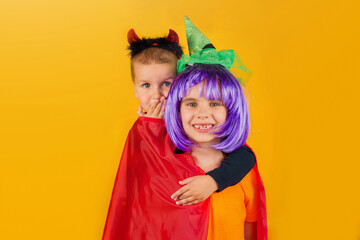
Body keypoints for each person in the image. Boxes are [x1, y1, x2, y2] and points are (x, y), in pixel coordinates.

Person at [103, 23, 258, 240]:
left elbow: (244, 155)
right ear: (135, 88)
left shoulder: (201, 128)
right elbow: (137, 194)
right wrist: (150, 129)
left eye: (166, 84)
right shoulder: (143, 131)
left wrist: (214, 181)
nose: (157, 95)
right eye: (146, 85)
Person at [163, 17, 267, 239]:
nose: (202, 113)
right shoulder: (164, 165)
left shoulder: (243, 170)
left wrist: (213, 181)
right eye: (192, 104)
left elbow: (251, 225)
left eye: (214, 103)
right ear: (176, 110)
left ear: (231, 109)